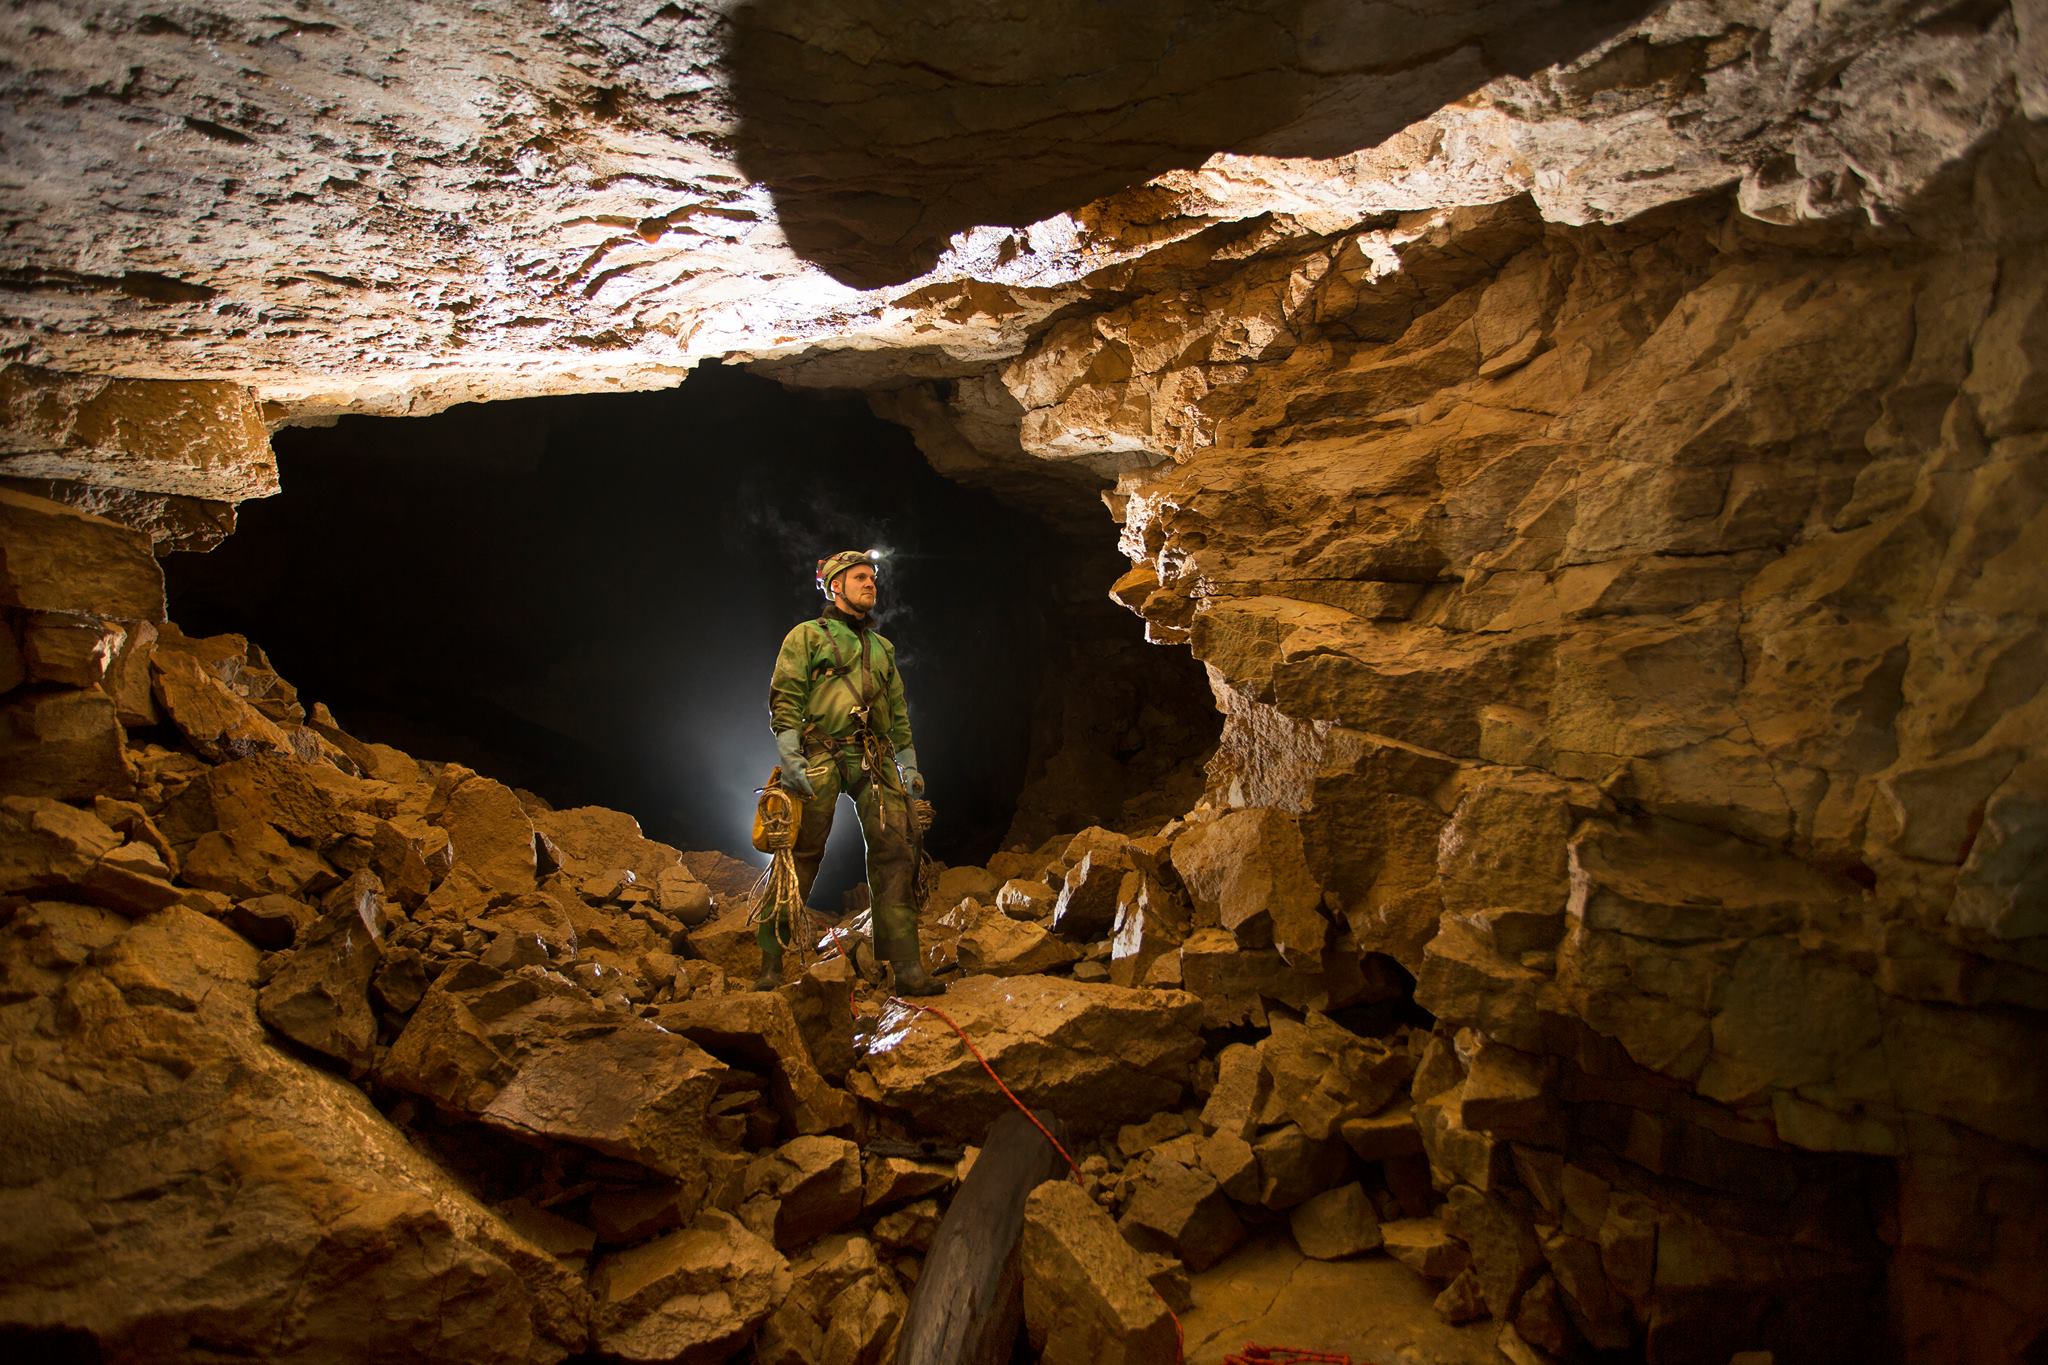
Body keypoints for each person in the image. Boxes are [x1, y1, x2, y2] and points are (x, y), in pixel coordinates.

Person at [761, 548, 941, 994]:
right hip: (820, 753)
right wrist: (789, 752)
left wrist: (910, 764)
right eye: (860, 577)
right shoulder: (806, 636)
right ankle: (769, 961)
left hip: (873, 759)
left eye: (872, 579)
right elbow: (787, 694)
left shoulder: (882, 648)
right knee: (799, 854)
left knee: (895, 851)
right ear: (835, 585)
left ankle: (906, 969)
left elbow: (897, 714)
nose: (870, 584)